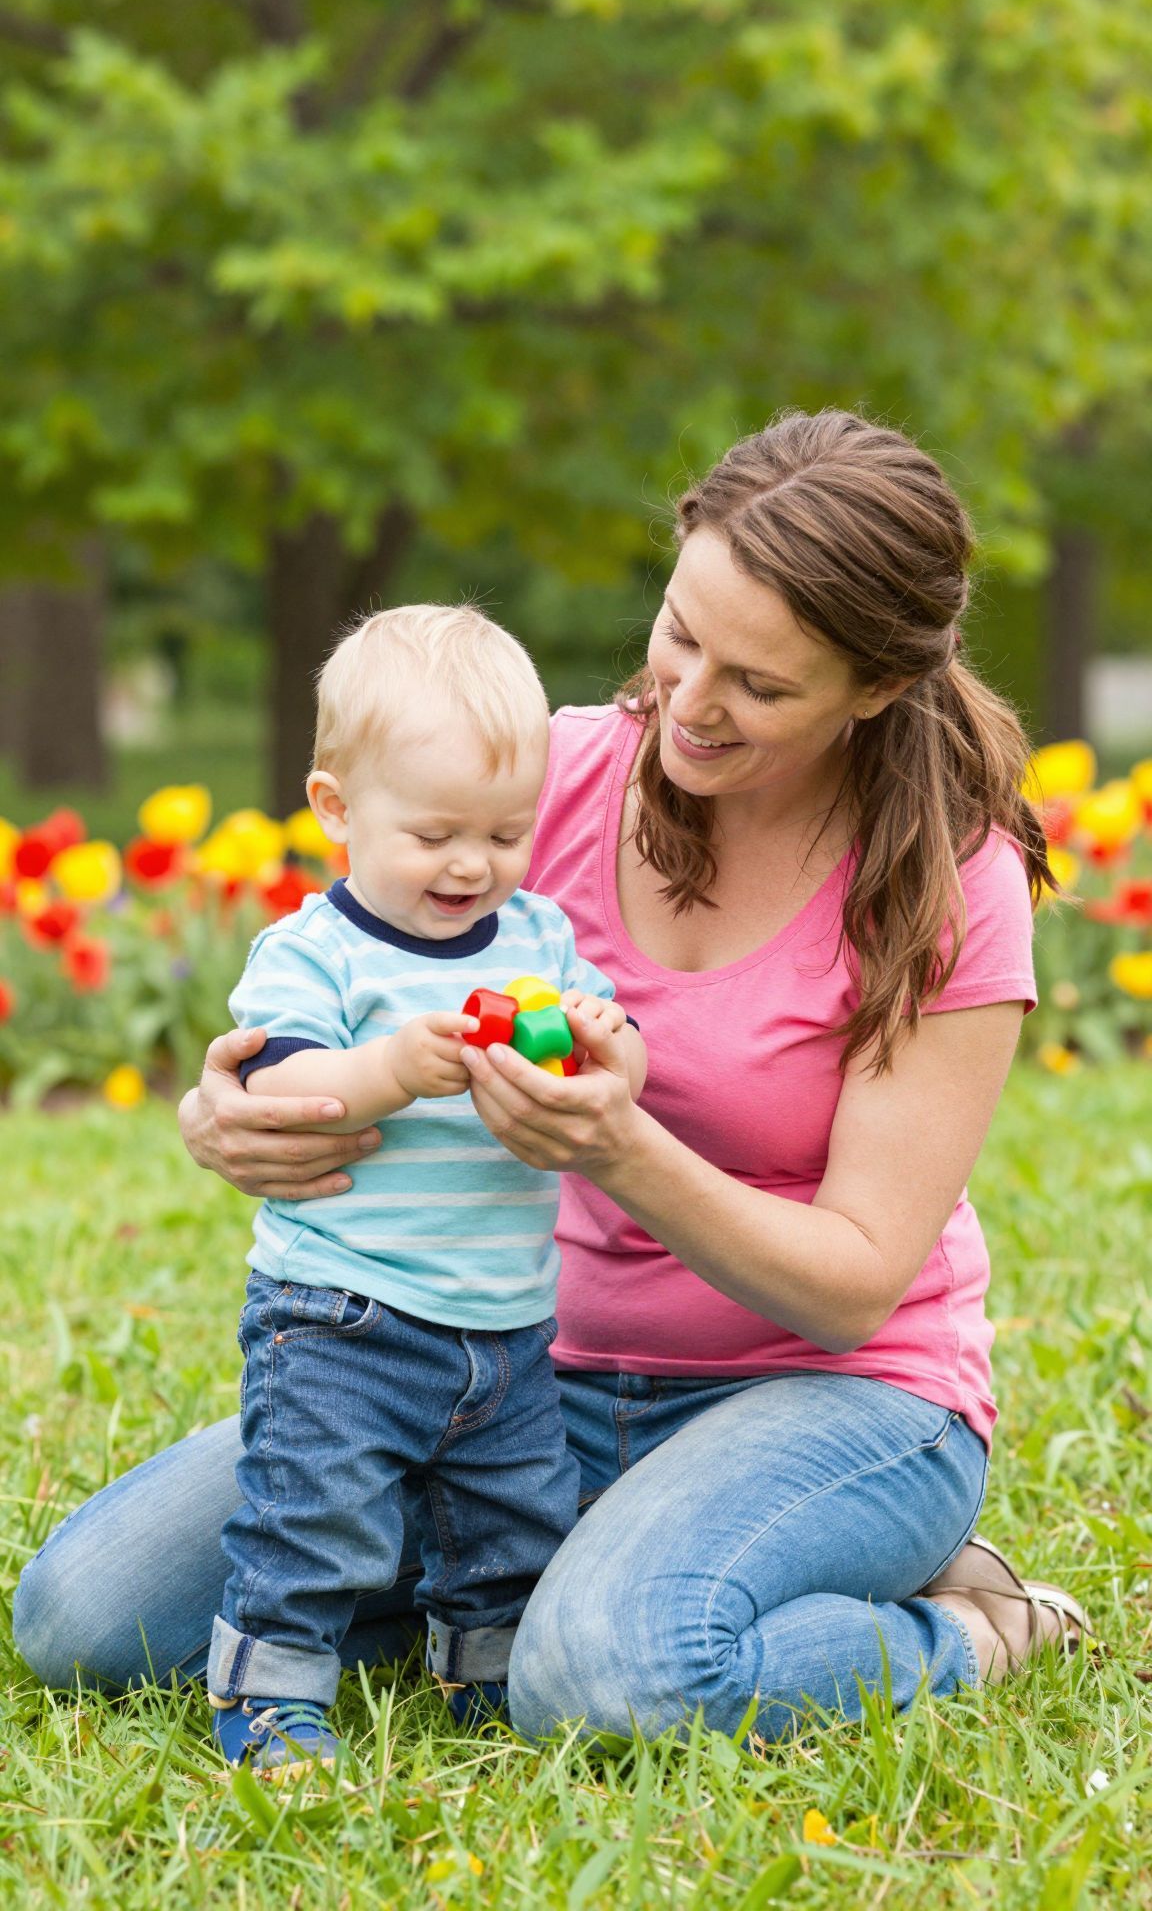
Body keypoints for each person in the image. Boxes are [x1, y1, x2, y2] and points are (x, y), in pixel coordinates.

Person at [14, 409, 1086, 1747]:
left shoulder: (947, 875)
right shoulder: (550, 785)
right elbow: (332, 994)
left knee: (603, 1680)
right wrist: (233, 1113)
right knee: (84, 1619)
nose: (689, 704)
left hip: (836, 1395)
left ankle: (969, 1627)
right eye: (682, 634)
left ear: (872, 688)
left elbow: (856, 1277)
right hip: (501, 1374)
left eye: (761, 684)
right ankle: (561, 1550)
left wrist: (619, 1147)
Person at [191, 603, 645, 1770]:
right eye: (437, 831)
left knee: (512, 1517)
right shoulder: (316, 951)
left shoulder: (535, 937)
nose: (472, 864)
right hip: (344, 1315)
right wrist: (390, 1067)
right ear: (336, 807)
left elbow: (608, 1039)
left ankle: (483, 1673)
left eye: (504, 833)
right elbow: (287, 1084)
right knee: (314, 1514)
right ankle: (270, 1693)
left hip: (505, 1322)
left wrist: (609, 1047)